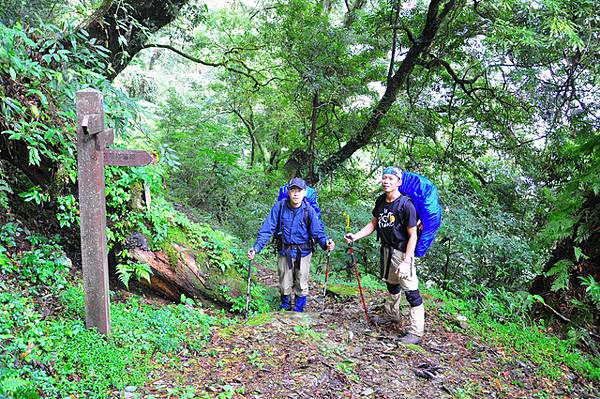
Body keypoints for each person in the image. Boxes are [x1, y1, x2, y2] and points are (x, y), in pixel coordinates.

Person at [344, 166, 424, 344]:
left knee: (411, 292)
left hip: (402, 252)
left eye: (391, 178)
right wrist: (355, 236)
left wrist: (406, 261)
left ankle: (416, 332)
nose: (386, 181)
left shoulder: (406, 205)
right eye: (384, 178)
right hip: (387, 250)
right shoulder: (381, 200)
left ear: (399, 182)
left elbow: (413, 235)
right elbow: (373, 224)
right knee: (392, 285)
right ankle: (391, 315)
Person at [248, 178, 335, 312]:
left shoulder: (309, 210)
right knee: (284, 283)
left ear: (304, 193)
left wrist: (325, 243)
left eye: (299, 191)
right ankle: (284, 308)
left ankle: (299, 310)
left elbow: (317, 232)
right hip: (285, 250)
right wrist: (256, 248)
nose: (296, 194)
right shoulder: (280, 207)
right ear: (288, 192)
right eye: (293, 190)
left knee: (301, 282)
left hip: (304, 252)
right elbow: (268, 228)